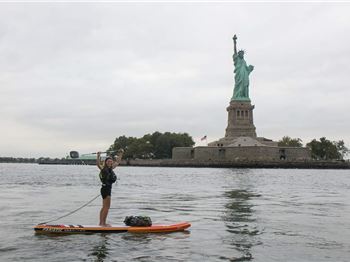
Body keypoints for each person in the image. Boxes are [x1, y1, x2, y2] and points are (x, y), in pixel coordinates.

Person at [96, 149, 124, 227]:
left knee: (104, 207)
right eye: (108, 161)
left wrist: (121, 153)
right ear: (105, 162)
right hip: (105, 189)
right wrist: (98, 156)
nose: (110, 162)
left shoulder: (111, 168)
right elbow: (98, 164)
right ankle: (103, 223)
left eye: (111, 161)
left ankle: (101, 223)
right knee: (106, 207)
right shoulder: (103, 168)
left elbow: (118, 162)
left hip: (107, 189)